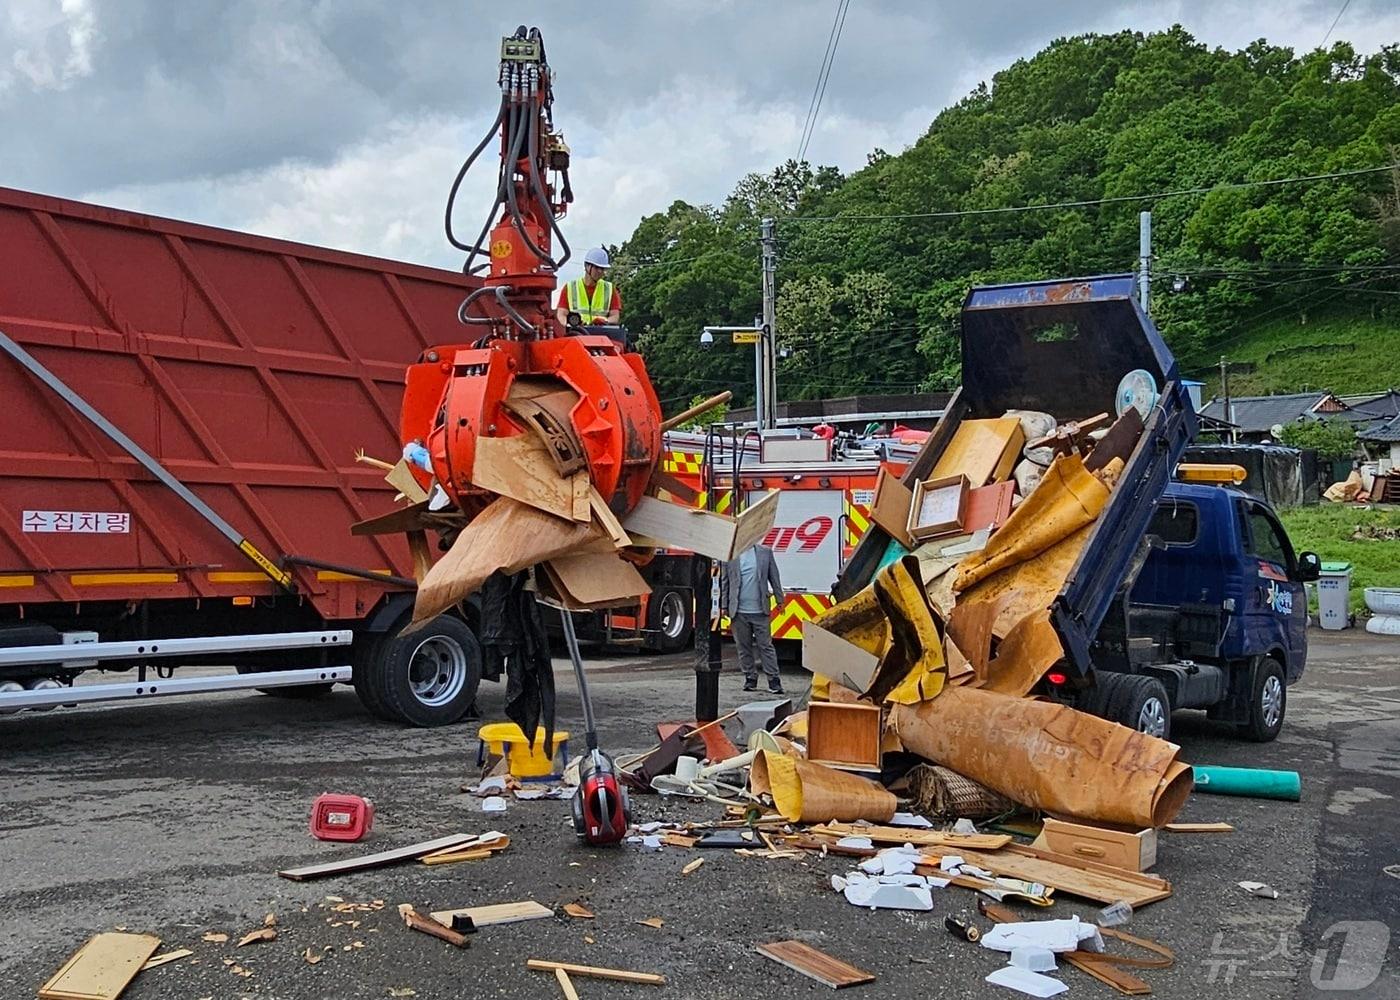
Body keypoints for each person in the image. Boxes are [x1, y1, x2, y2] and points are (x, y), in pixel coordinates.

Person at [720, 543, 785, 693]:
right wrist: (724, 606)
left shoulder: (765, 553)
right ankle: (750, 678)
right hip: (739, 611)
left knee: (766, 646)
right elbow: (725, 582)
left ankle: (773, 680)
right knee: (743, 647)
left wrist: (779, 599)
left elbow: (774, 577)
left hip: (760, 611)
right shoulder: (730, 555)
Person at [556, 246, 620, 329]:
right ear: (587, 266)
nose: (600, 271)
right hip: (577, 334)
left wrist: (605, 321)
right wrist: (570, 324)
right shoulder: (570, 288)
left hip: (601, 335)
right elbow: (561, 314)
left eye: (602, 268)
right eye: (597, 267)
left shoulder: (610, 289)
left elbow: (615, 316)